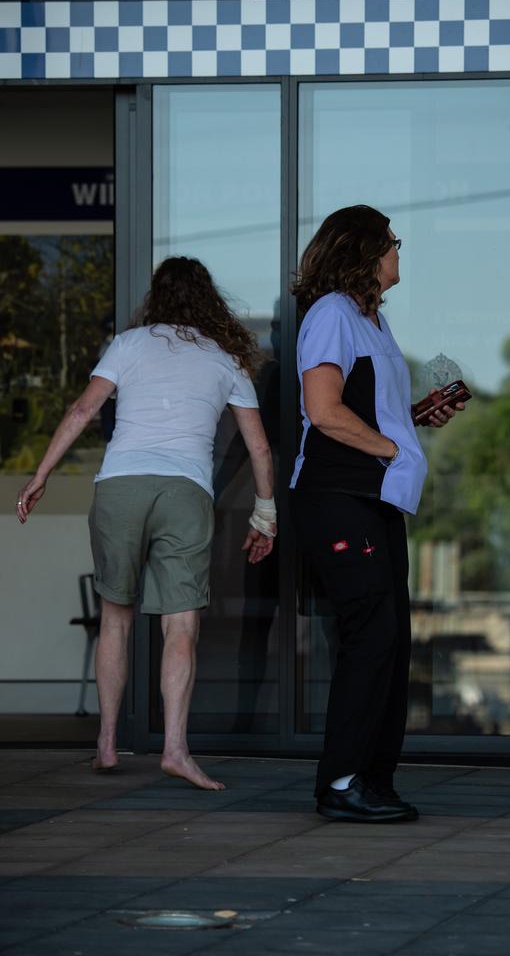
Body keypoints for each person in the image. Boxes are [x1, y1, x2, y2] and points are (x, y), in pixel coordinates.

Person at [16, 256, 276, 790]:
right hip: (185, 491)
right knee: (180, 624)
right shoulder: (226, 356)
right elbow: (259, 447)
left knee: (116, 617)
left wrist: (40, 474)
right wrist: (265, 514)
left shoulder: (129, 344)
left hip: (121, 485)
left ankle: (107, 743)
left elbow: (82, 412)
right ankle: (176, 749)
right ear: (209, 299)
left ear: (156, 296)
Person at [290, 204, 462, 823]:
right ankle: (339, 783)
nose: (398, 251)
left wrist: (416, 416)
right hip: (339, 498)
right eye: (391, 241)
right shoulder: (331, 314)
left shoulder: (371, 322)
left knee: (392, 640)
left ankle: (372, 779)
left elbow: (368, 413)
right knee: (372, 635)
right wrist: (392, 447)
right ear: (364, 252)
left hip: (379, 497)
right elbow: (325, 410)